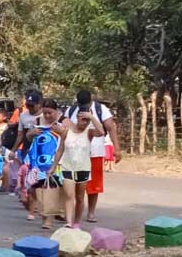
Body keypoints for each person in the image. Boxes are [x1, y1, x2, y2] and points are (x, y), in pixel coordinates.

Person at [64, 90, 121, 222]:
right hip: (75, 154)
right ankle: (69, 213)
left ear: (91, 100)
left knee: (93, 185)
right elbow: (65, 127)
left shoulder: (100, 109)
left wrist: (116, 149)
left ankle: (91, 212)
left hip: (95, 152)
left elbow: (110, 127)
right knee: (72, 184)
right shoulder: (72, 110)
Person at [51, 109, 104, 229]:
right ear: (77, 118)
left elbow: (101, 132)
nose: (85, 122)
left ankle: (76, 222)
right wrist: (53, 166)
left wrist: (92, 117)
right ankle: (69, 222)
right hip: (67, 167)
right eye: (83, 119)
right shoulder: (67, 132)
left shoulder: (89, 132)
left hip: (83, 168)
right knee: (69, 195)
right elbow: (60, 150)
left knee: (79, 197)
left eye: (87, 120)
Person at [24, 98, 64, 229]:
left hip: (55, 160)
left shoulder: (63, 121)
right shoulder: (36, 121)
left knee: (50, 189)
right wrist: (31, 133)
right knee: (38, 190)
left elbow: (69, 138)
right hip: (37, 161)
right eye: (45, 113)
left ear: (56, 111)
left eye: (50, 113)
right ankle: (44, 217)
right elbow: (28, 138)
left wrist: (62, 133)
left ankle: (49, 220)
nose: (47, 116)